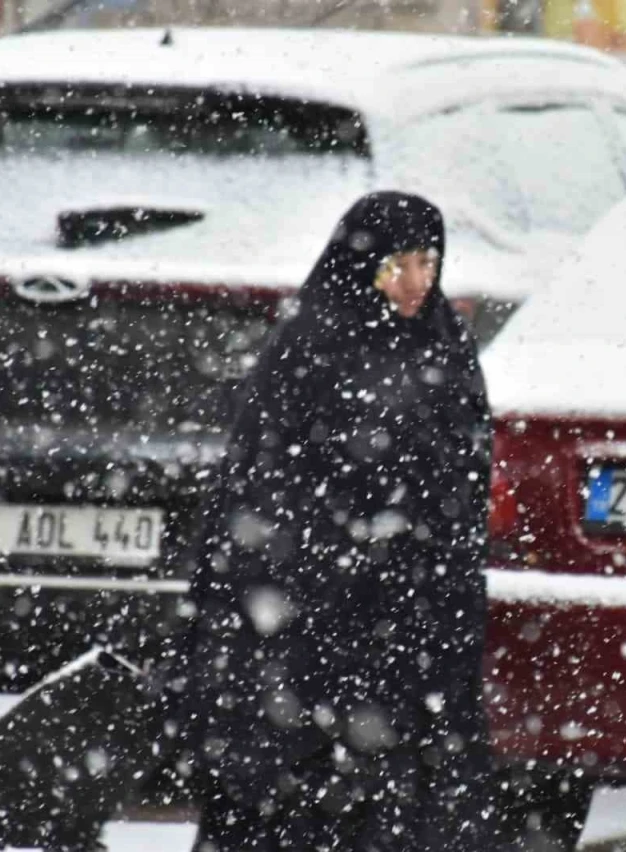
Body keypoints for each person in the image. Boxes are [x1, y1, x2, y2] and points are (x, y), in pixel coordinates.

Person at [179, 191, 494, 852]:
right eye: (396, 265)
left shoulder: (442, 341)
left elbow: (464, 466)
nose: (417, 282)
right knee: (310, 783)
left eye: (428, 262)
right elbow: (265, 484)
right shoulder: (313, 344)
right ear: (362, 268)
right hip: (321, 613)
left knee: (413, 780)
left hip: (414, 609)